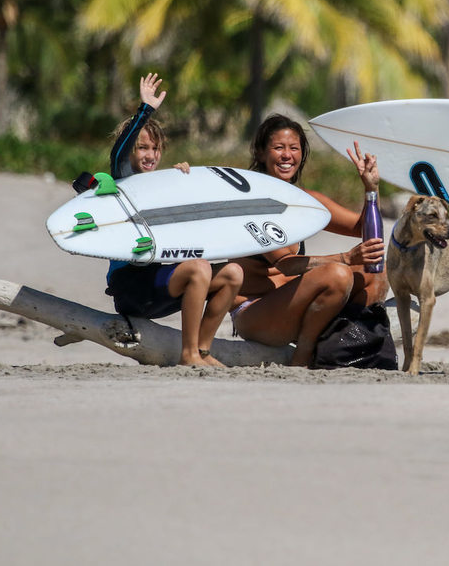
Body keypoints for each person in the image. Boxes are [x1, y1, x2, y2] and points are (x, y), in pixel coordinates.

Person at [105, 72, 243, 367]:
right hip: (130, 288)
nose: (151, 154)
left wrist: (183, 183)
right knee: (199, 269)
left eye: (155, 149)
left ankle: (202, 350)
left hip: (158, 283)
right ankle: (188, 354)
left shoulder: (163, 187)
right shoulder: (123, 182)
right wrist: (145, 111)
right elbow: (118, 154)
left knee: (233, 274)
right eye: (143, 147)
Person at [229, 114, 388, 366]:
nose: (286, 155)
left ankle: (342, 340)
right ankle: (304, 353)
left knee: (375, 271)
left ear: (302, 155)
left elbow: (364, 230)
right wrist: (346, 258)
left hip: (297, 308)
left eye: (294, 148)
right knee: (338, 274)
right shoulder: (254, 204)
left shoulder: (307, 200)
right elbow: (285, 264)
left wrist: (371, 189)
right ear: (260, 153)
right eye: (278, 148)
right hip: (256, 313)